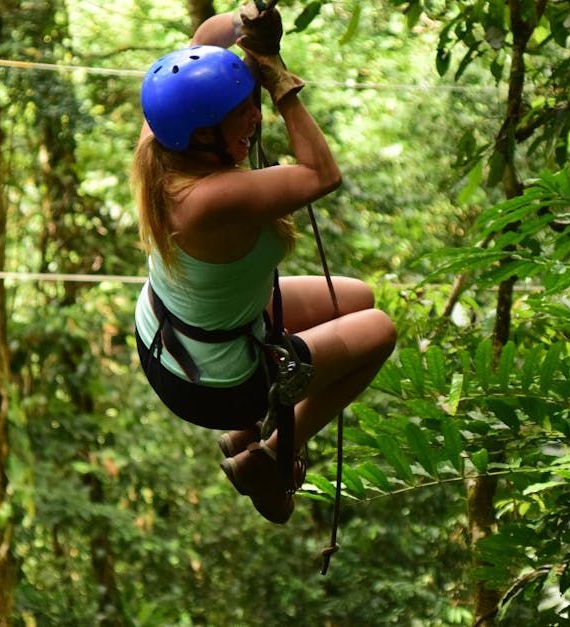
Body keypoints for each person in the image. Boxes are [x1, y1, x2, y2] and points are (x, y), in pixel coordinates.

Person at [133, 5, 396, 524]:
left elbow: (207, 37)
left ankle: (242, 434)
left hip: (169, 335)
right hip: (210, 383)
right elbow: (321, 173)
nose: (253, 120)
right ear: (205, 134)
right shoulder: (209, 199)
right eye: (240, 114)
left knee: (357, 299)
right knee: (378, 330)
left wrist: (244, 19)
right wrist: (278, 82)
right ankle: (270, 453)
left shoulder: (163, 140)